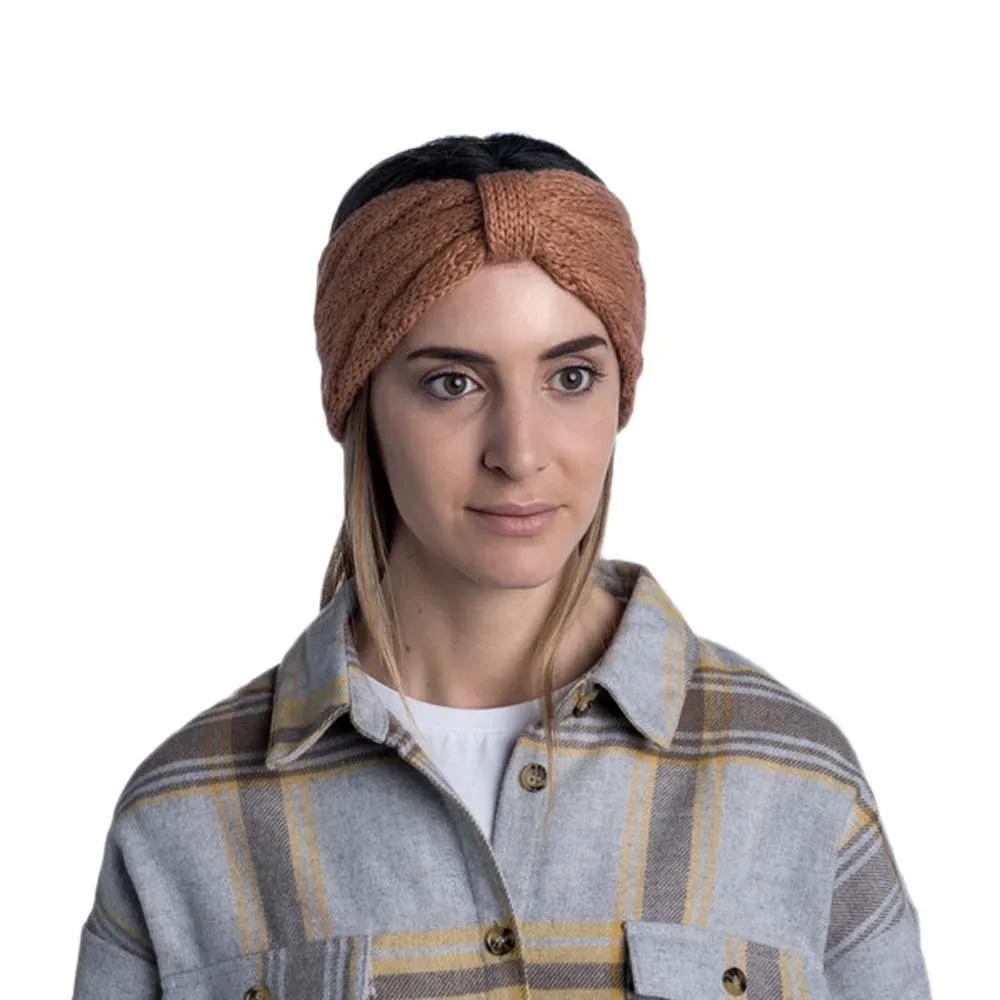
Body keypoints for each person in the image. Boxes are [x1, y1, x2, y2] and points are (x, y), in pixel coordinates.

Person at [72, 132, 933, 1000]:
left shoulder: (795, 783)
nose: (519, 453)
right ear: (360, 401)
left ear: (621, 395)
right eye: (454, 382)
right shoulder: (186, 819)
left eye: (571, 377)